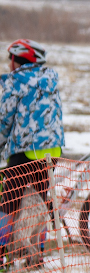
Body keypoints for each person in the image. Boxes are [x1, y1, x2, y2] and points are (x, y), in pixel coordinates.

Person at [0, 39, 63, 239]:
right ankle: (37, 255)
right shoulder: (50, 79)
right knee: (40, 202)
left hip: (26, 151)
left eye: (11, 58)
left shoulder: (16, 82)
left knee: (8, 203)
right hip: (52, 152)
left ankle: (1, 254)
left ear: (17, 61)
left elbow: (4, 119)